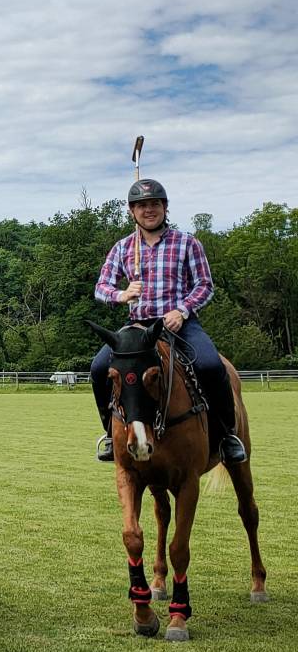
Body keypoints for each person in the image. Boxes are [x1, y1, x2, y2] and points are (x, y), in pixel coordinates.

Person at [90, 178, 246, 464]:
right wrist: (122, 294)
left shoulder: (187, 243)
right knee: (99, 367)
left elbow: (204, 285)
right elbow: (101, 288)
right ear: (131, 211)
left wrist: (183, 310)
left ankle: (227, 436)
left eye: (154, 204)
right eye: (142, 205)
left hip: (179, 323)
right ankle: (111, 436)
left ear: (164, 207)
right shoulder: (123, 248)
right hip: (138, 327)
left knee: (211, 365)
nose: (149, 210)